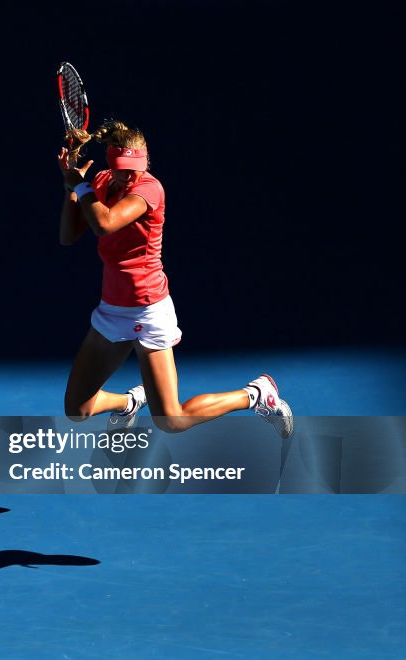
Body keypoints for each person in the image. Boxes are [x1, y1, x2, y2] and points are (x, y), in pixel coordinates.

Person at [57, 120, 292, 437]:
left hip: (149, 311)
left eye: (136, 167)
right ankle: (129, 402)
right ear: (110, 165)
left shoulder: (149, 189)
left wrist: (81, 187)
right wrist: (71, 186)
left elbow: (104, 224)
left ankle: (256, 394)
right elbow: (69, 235)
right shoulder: (98, 183)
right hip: (112, 310)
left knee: (172, 420)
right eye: (122, 168)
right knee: (77, 410)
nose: (130, 175)